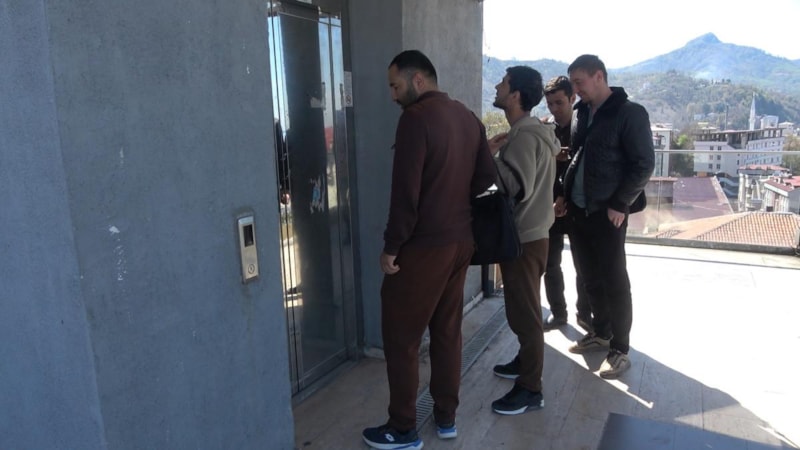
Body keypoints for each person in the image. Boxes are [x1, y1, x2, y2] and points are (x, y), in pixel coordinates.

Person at [361, 50, 496, 450]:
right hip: (461, 242)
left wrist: (391, 247)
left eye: (395, 86)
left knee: (401, 336)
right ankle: (446, 416)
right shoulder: (468, 118)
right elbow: (485, 179)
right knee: (447, 331)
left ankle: (403, 428)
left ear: (417, 80)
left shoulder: (415, 119)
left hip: (424, 247)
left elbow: (406, 194)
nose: (392, 95)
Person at [557, 54, 654, 379]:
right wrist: (564, 194)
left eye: (579, 82)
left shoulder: (630, 113)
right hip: (578, 211)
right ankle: (601, 333)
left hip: (608, 213)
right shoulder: (582, 113)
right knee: (589, 277)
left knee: (615, 281)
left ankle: (620, 349)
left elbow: (644, 164)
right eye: (573, 84)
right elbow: (577, 156)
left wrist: (619, 203)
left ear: (599, 76)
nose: (576, 90)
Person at [488, 66, 560, 415]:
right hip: (533, 235)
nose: (497, 86)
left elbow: (514, 185)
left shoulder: (524, 137)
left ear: (515, 95)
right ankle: (524, 362)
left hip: (525, 238)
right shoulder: (531, 132)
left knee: (527, 314)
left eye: (503, 83)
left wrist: (482, 154)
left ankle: (531, 388)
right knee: (521, 309)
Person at [541, 76, 592, 332]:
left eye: (559, 103)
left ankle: (584, 314)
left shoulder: (583, 128)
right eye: (550, 104)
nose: (554, 109)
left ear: (572, 99)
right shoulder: (544, 130)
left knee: (582, 265)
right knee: (550, 264)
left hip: (576, 205)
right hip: (549, 204)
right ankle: (558, 312)